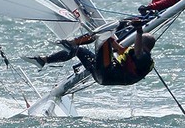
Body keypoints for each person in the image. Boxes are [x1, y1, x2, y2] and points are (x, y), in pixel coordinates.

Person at [23, 21, 156, 86]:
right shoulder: (136, 55)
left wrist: (139, 31)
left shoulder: (144, 58)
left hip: (108, 72)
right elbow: (120, 49)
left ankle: (72, 42)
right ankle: (44, 60)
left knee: (103, 35)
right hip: (103, 76)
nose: (134, 45)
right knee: (79, 51)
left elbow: (138, 51)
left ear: (143, 44)